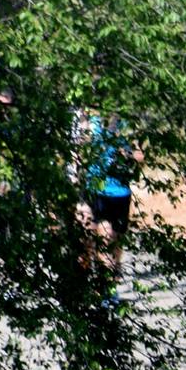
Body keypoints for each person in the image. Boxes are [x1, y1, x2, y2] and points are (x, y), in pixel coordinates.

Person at [78, 110, 144, 279]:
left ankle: (111, 274)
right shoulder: (93, 124)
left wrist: (127, 153)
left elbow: (140, 156)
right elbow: (81, 148)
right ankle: (100, 286)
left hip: (121, 193)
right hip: (98, 191)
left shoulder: (126, 127)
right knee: (101, 240)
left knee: (116, 243)